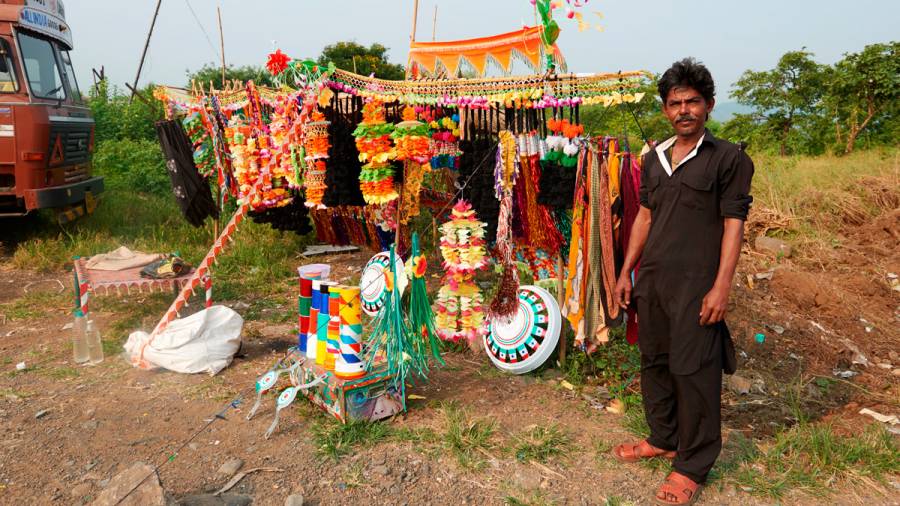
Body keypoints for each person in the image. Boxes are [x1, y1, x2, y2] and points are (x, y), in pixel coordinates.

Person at [611, 58, 754, 505]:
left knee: (695, 372)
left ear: (709, 105)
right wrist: (625, 272)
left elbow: (734, 226)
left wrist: (722, 287)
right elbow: (645, 218)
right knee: (654, 361)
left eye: (693, 101)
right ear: (665, 109)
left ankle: (692, 463)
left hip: (698, 284)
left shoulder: (729, 158)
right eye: (675, 103)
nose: (684, 110)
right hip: (652, 280)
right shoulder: (653, 159)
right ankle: (662, 436)